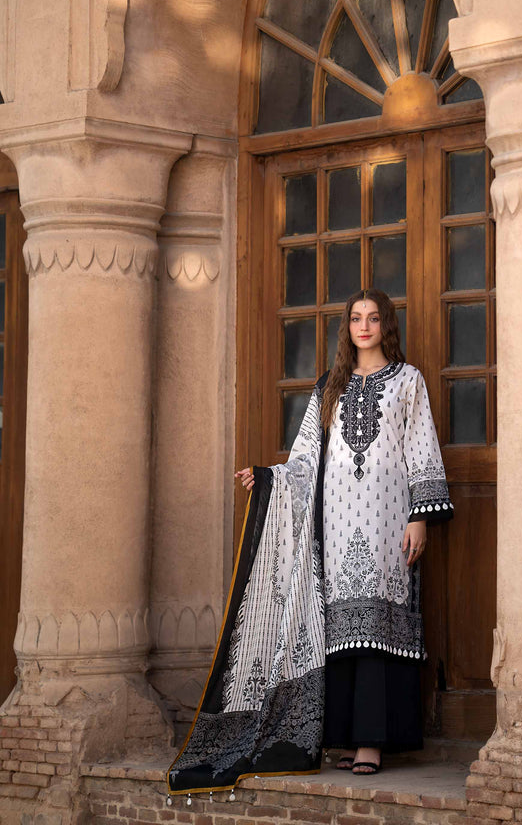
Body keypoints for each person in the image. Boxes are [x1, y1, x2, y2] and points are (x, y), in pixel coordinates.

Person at [166, 289, 452, 801]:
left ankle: (373, 742)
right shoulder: (329, 386)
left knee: (380, 626)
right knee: (338, 629)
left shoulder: (408, 381)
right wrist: (269, 479)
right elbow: (304, 459)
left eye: (374, 318)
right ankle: (346, 736)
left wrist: (419, 517)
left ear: (387, 325)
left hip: (388, 521)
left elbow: (421, 447)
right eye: (356, 318)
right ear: (347, 327)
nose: (364, 326)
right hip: (335, 525)